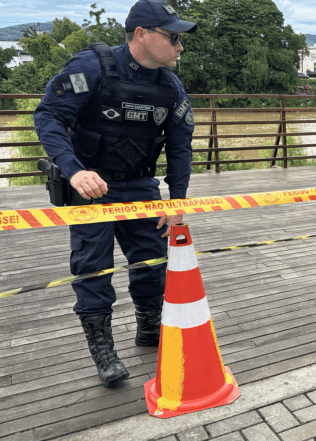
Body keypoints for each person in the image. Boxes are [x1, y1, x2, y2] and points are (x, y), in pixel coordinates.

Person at [33, 0, 197, 387]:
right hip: (92, 187)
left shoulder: (170, 87)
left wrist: (177, 201)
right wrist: (74, 171)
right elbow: (49, 115)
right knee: (93, 267)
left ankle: (149, 327)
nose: (180, 47)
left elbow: (180, 146)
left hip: (140, 185)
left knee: (154, 262)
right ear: (141, 34)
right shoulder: (91, 68)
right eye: (173, 38)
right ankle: (103, 349)